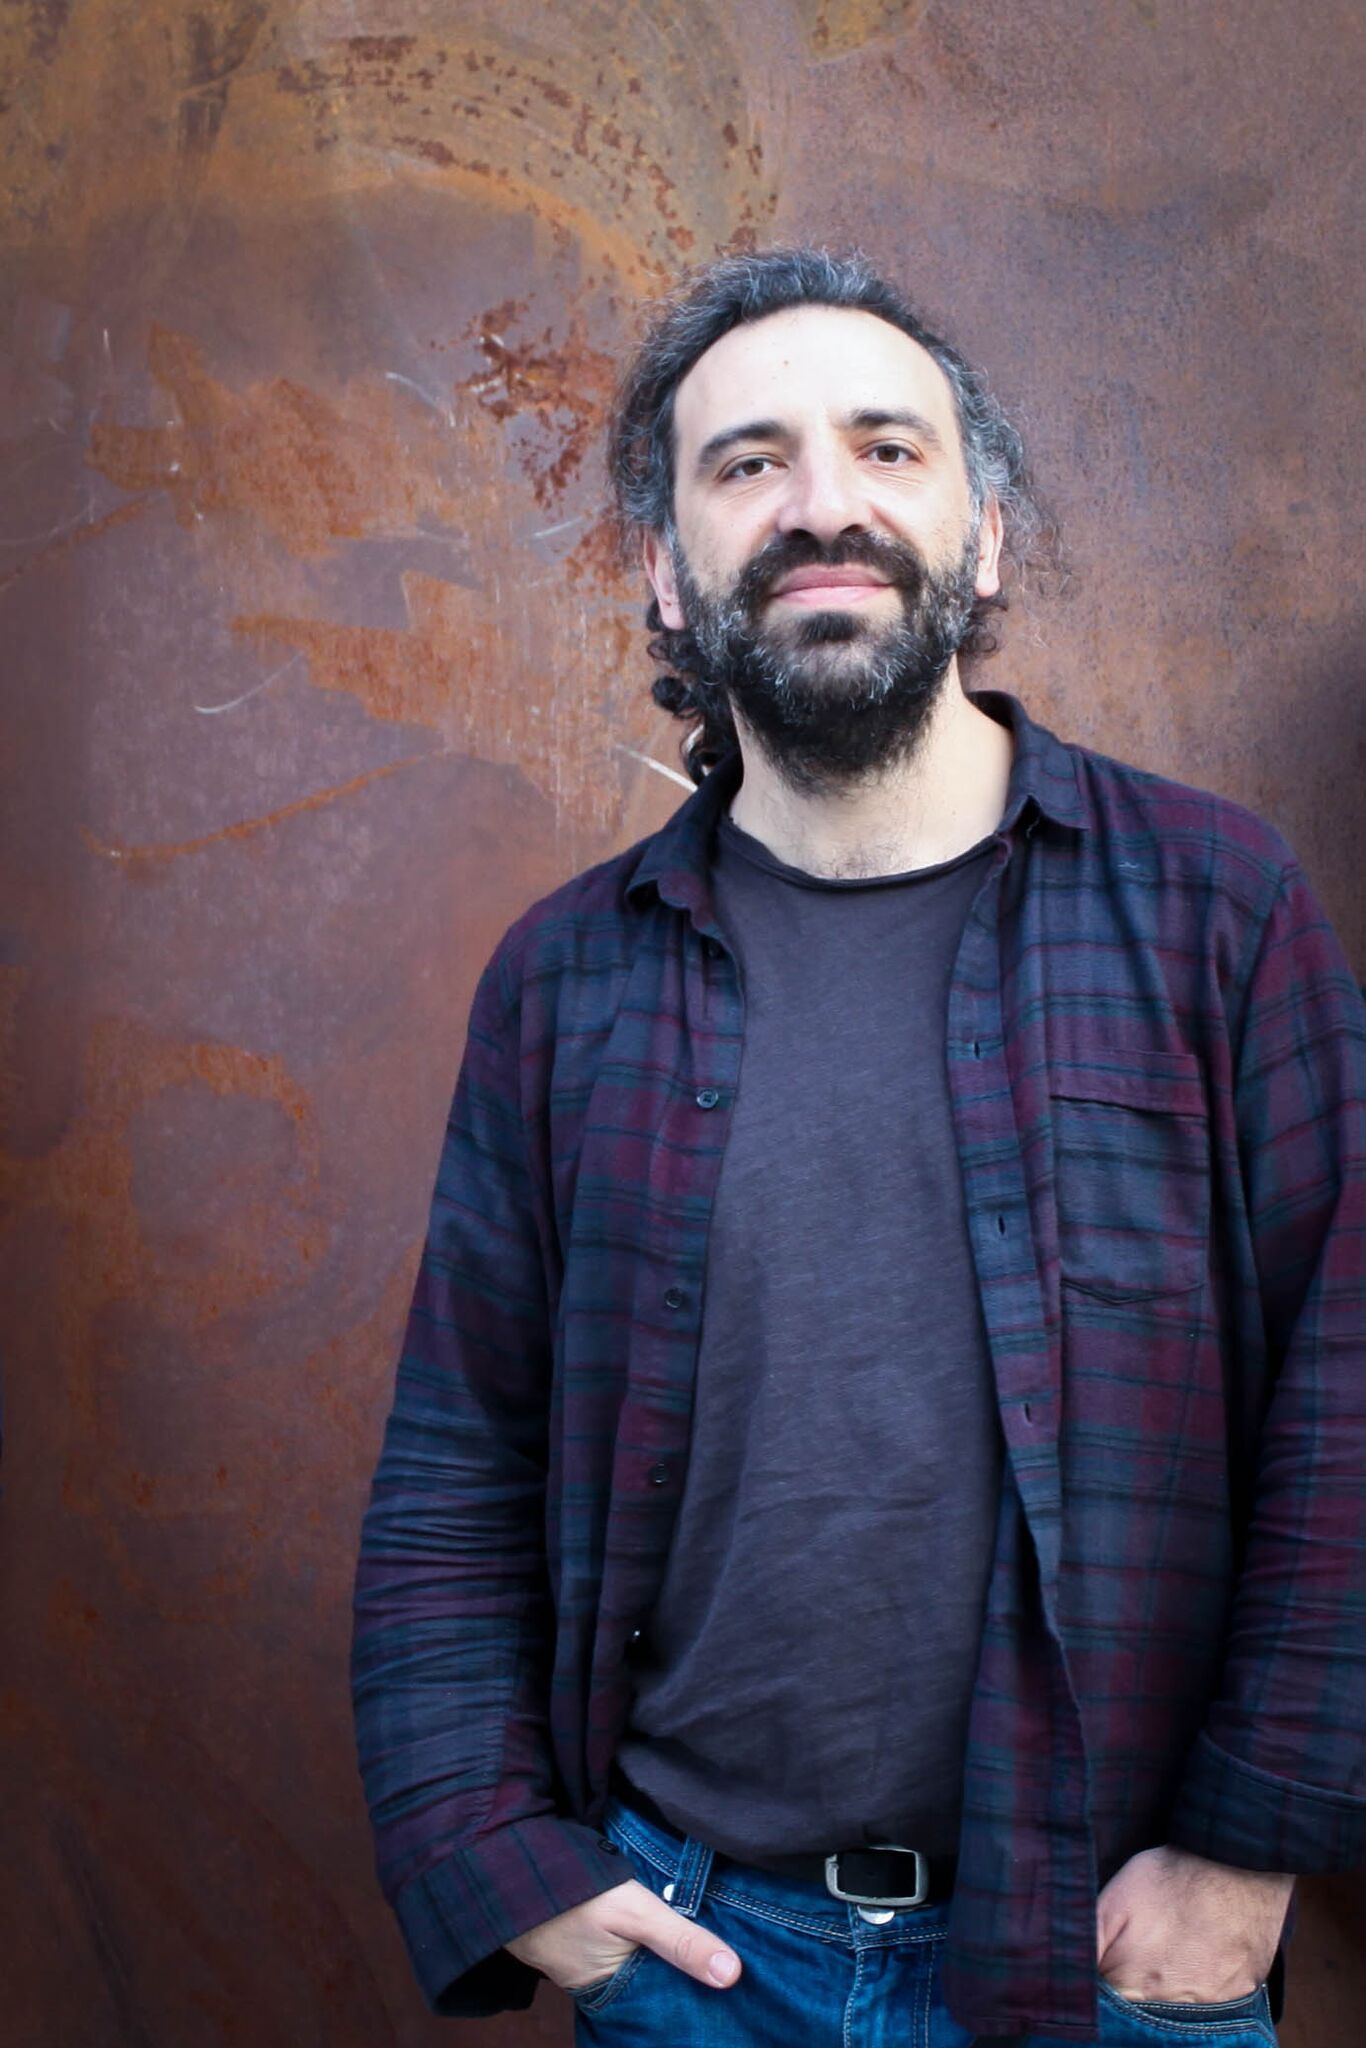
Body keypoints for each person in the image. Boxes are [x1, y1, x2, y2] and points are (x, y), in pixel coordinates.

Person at [351, 248, 1365, 2045]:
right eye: (747, 463)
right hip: (694, 1960)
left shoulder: (1216, 908)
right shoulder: (565, 980)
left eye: (886, 448)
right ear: (666, 570)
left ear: (984, 535)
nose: (822, 504)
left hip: (1114, 1962)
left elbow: (1348, 1396)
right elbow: (458, 1465)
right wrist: (505, 1864)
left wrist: (1246, 1854)